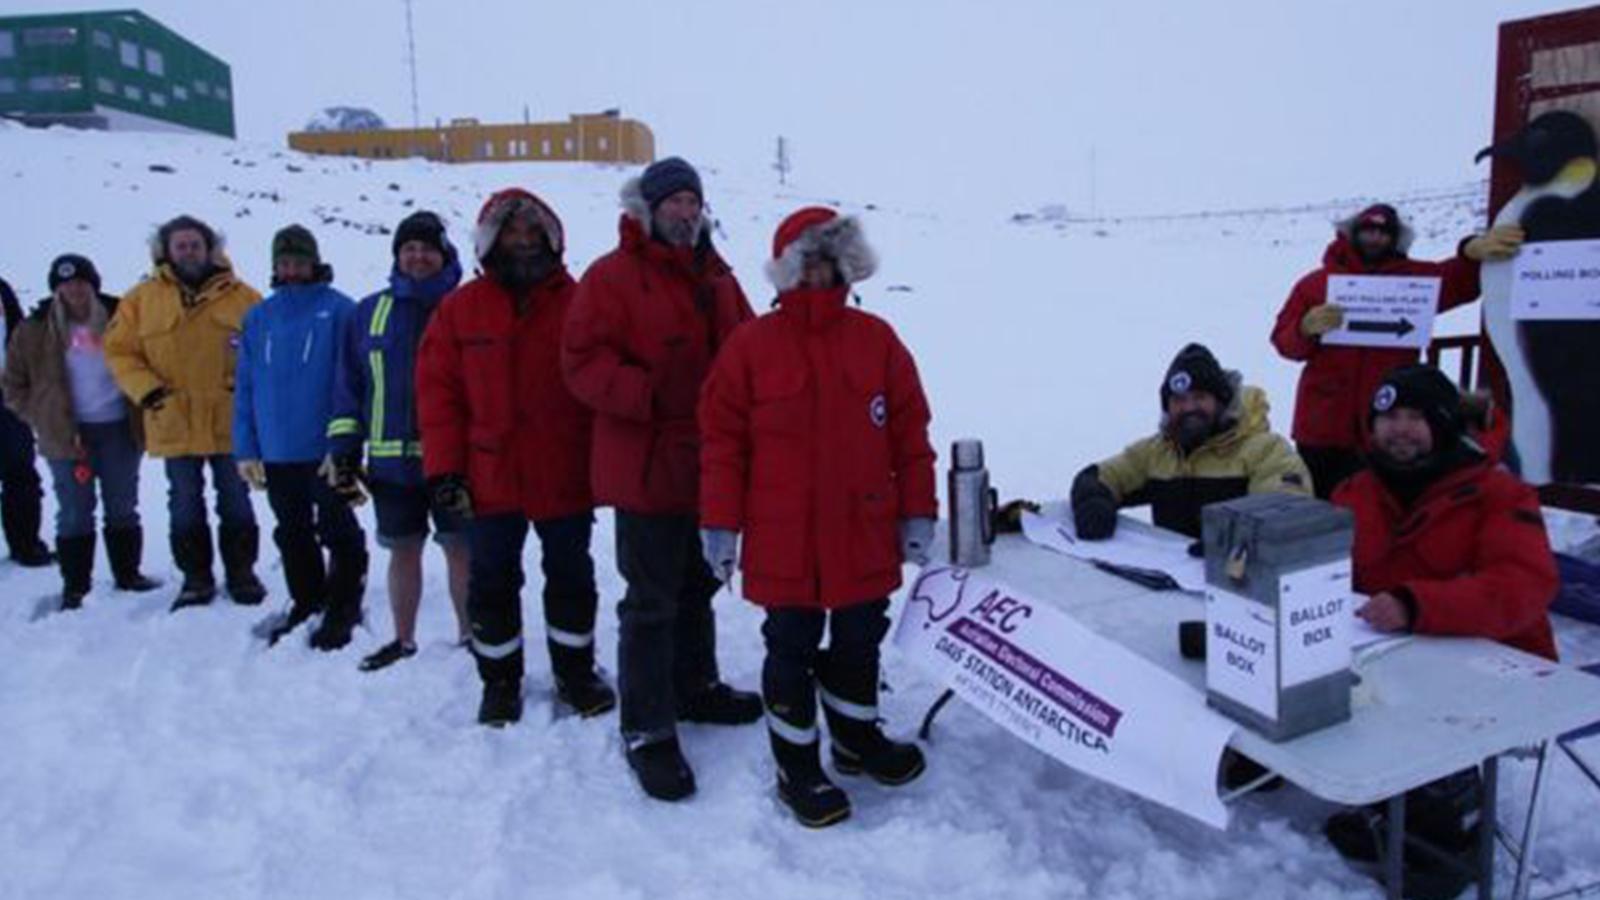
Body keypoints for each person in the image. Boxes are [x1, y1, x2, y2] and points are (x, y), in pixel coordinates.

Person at [700, 207, 937, 827]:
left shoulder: (878, 339)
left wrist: (918, 512)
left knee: (860, 639)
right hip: (785, 536)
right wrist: (720, 525)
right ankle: (797, 765)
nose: (817, 271)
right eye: (805, 260)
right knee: (791, 648)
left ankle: (857, 740)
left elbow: (911, 437)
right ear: (784, 270)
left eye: (827, 258)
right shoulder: (749, 347)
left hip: (863, 530)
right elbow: (722, 444)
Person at [563, 157, 762, 801]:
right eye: (673, 202)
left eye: (692, 201)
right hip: (646, 460)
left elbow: (750, 345)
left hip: (708, 462)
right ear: (647, 211)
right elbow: (581, 361)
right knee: (650, 600)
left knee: (698, 581)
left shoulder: (720, 275)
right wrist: (647, 392)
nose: (684, 212)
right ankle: (647, 728)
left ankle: (695, 686)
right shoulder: (610, 277)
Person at [1323, 364, 1559, 898]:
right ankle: (1391, 803)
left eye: (1414, 418)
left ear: (1444, 424)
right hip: (1389, 655)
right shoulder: (1353, 491)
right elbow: (1325, 567)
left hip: (1497, 665)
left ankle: (1446, 825)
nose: (1398, 429)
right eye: (1387, 417)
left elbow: (1525, 585)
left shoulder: (1499, 492)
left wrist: (1416, 605)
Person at [417, 189, 613, 723]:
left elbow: (603, 385)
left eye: (532, 233)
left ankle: (576, 673)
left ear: (551, 239)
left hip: (563, 468)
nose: (522, 242)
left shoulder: (581, 304)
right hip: (488, 474)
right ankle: (499, 681)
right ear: (490, 241)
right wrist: (445, 471)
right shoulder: (459, 310)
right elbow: (438, 397)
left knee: (572, 575)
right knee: (492, 579)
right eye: (511, 233)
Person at [1270, 203, 1523, 498]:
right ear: (1352, 234)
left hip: (1388, 428)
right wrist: (1304, 328)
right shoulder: (1314, 284)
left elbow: (1460, 283)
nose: (1375, 238)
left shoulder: (1413, 281)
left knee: (1378, 509)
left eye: (1383, 233)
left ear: (1396, 239)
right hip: (1321, 426)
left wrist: (1468, 252)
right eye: (1368, 231)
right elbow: (1283, 343)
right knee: (1319, 511)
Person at [327, 211, 470, 671]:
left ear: (444, 254)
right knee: (402, 551)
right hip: (392, 466)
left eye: (427, 248)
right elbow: (348, 386)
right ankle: (402, 638)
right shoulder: (369, 312)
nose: (418, 256)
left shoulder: (465, 307)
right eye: (409, 248)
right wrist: (344, 448)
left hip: (456, 462)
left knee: (460, 549)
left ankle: (470, 637)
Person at [104, 215, 267, 610]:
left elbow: (266, 354)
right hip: (171, 417)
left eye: (196, 244)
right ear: (166, 250)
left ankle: (242, 573)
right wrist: (147, 391)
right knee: (184, 500)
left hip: (229, 419)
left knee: (235, 497)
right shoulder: (140, 299)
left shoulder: (244, 297)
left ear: (210, 248)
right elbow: (119, 352)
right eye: (181, 245)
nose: (189, 251)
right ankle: (196, 577)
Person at [234, 226, 368, 649]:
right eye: (284, 262)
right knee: (292, 531)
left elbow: (353, 381)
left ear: (314, 262)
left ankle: (344, 603)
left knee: (337, 526)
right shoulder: (259, 317)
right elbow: (246, 385)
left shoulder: (341, 311)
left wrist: (345, 444)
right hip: (276, 449)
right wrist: (246, 447)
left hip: (324, 448)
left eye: (299, 261)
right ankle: (307, 600)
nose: (291, 269)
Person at [2, 255, 159, 609]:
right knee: (74, 510)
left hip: (119, 427)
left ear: (93, 283)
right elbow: (13, 386)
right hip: (66, 436)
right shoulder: (34, 329)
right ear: (55, 289)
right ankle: (76, 585)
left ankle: (128, 575)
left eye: (81, 282)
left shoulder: (122, 317)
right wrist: (41, 417)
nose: (74, 289)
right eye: (65, 284)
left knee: (123, 505)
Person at [1065, 343, 1311, 541]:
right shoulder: (1156, 453)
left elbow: (1286, 509)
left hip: (1246, 587)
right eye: (1179, 401)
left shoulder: (1266, 450)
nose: (1189, 408)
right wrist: (1093, 502)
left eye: (1200, 397)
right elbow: (1100, 477)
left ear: (1221, 401)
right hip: (1172, 589)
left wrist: (1229, 542)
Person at [0, 274, 55, 568]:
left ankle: (26, 545)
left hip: (8, 401)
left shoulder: (3, 290)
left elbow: (20, 339)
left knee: (20, 474)